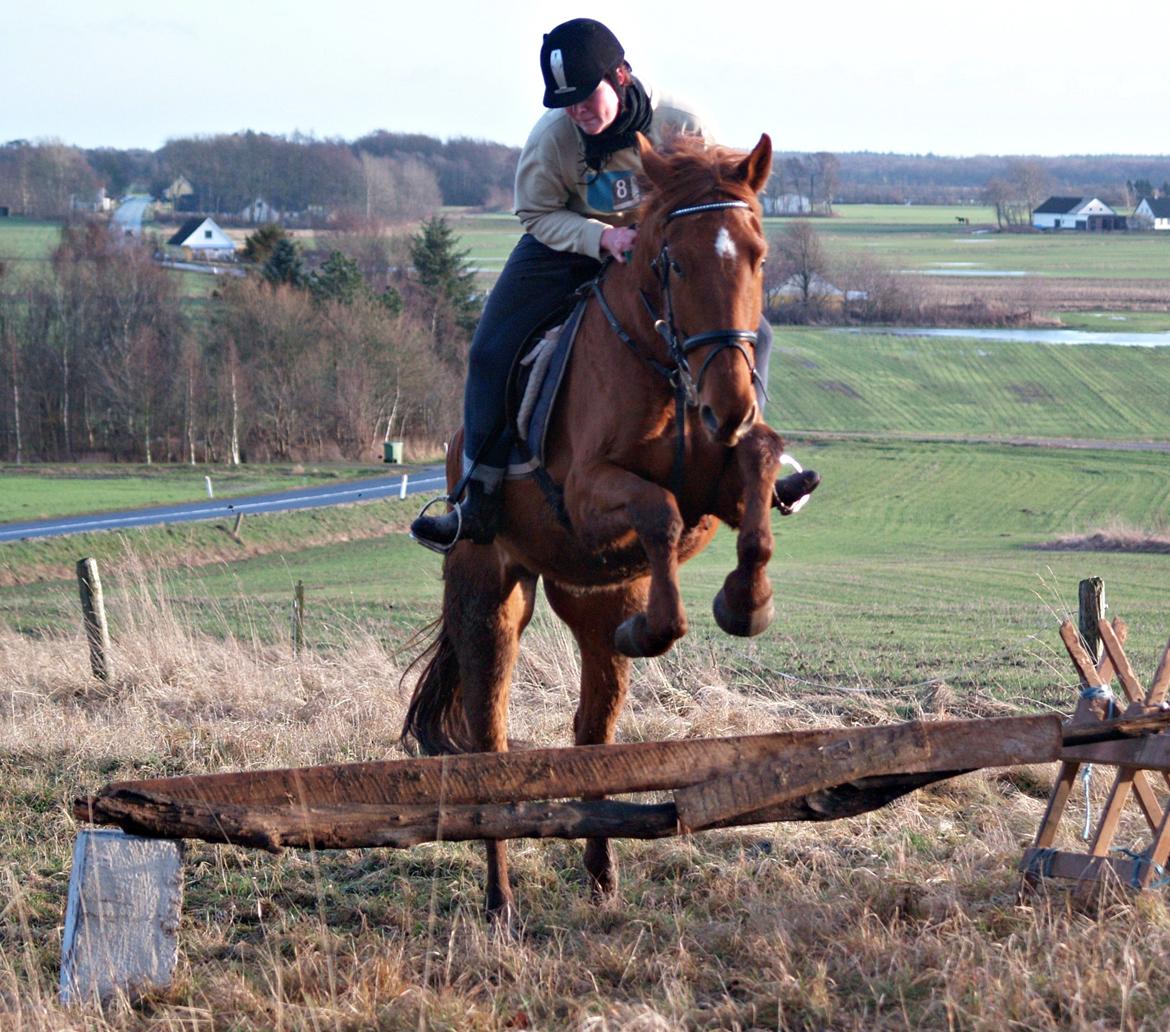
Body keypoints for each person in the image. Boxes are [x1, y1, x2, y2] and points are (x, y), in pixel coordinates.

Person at [410, 17, 772, 550]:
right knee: (490, 348)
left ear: (621, 76)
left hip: (659, 249)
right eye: (566, 103)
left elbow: (714, 200)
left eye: (585, 97)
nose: (577, 111)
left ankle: (754, 454)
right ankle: (477, 494)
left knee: (755, 333)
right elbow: (536, 213)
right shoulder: (552, 139)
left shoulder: (684, 121)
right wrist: (601, 239)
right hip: (567, 243)